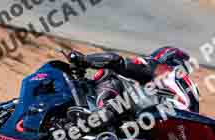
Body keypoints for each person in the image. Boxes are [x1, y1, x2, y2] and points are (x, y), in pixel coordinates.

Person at [68, 47, 199, 113]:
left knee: (110, 70)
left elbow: (116, 61)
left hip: (153, 113)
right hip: (161, 125)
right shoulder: (190, 89)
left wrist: (83, 61)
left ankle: (103, 110)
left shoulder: (160, 68)